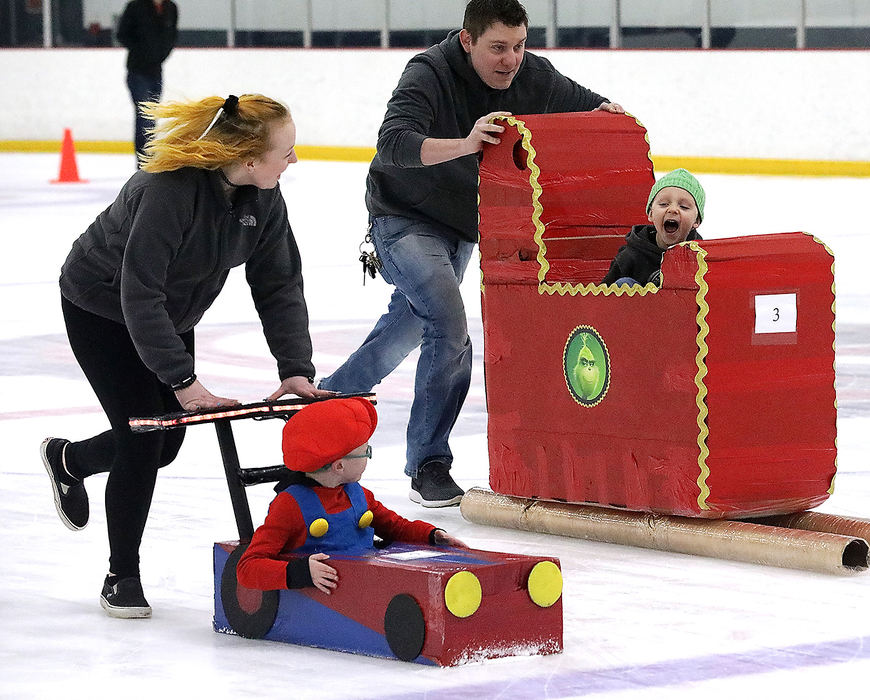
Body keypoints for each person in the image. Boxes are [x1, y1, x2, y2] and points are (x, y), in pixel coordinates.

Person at [318, 0, 625, 508]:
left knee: (413, 326)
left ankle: (331, 397)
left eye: (520, 46)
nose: (511, 60)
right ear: (467, 41)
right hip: (402, 217)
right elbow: (393, 145)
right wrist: (466, 143)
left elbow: (589, 108)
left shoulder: (535, 76)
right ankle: (429, 463)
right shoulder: (427, 73)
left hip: (461, 226)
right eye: (497, 48)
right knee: (448, 324)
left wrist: (609, 117)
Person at [40, 93, 331, 619]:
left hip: (168, 314)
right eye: (285, 151)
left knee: (166, 441)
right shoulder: (167, 192)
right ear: (246, 158)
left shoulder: (263, 199)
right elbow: (139, 294)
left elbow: (278, 282)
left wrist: (295, 368)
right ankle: (121, 575)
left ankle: (71, 460)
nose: (294, 160)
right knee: (140, 436)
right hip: (102, 306)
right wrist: (183, 379)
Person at [236, 398, 467, 593]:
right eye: (365, 452)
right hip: (335, 595)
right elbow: (247, 567)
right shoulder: (290, 506)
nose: (368, 456)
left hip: (363, 579)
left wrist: (431, 535)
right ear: (339, 466)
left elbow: (395, 526)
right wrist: (300, 572)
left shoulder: (357, 495)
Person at [601, 168, 706, 288]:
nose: (673, 209)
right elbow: (601, 300)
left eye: (684, 207)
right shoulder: (629, 257)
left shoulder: (701, 258)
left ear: (696, 220)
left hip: (681, 306)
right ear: (651, 213)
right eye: (663, 204)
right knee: (623, 284)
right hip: (636, 306)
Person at [116, 0, 178, 166]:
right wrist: (143, 53)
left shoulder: (170, 8)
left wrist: (160, 56)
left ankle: (148, 159)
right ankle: (144, 162)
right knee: (145, 116)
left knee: (151, 116)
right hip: (138, 71)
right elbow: (122, 34)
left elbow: (171, 36)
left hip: (156, 71)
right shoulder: (136, 6)